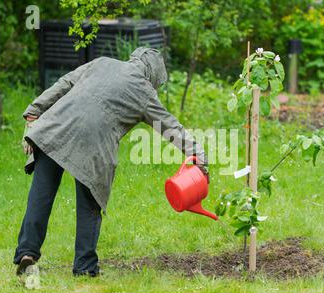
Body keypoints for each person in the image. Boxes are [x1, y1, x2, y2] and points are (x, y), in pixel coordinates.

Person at [14, 47, 208, 277]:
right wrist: (199, 157)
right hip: (93, 145)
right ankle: (85, 267)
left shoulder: (101, 62)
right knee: (90, 205)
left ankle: (27, 252)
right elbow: (170, 127)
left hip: (55, 127)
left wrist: (34, 110)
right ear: (154, 74)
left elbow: (65, 82)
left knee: (41, 195)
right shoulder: (144, 92)